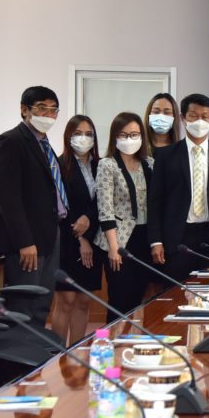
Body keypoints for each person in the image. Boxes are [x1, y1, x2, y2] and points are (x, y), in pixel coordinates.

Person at [0, 86, 67, 326]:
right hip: (26, 241)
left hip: (49, 234)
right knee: (24, 305)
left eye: (53, 110)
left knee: (42, 302)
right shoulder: (10, 141)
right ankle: (19, 349)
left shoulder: (44, 144)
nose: (48, 115)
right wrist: (25, 242)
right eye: (42, 108)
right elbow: (8, 198)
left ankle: (35, 348)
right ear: (25, 110)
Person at [148, 94, 209, 284]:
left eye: (205, 117)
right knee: (175, 292)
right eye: (193, 116)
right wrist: (156, 240)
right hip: (177, 238)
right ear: (182, 118)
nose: (199, 121)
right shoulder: (165, 155)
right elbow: (155, 201)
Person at [94, 112, 155, 320]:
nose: (129, 139)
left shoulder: (149, 163)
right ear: (115, 137)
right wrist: (113, 247)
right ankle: (109, 339)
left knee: (138, 298)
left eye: (134, 134)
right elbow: (105, 208)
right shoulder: (107, 164)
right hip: (118, 240)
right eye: (124, 135)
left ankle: (129, 339)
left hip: (144, 238)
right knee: (119, 299)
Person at [51, 114, 105, 345]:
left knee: (84, 301)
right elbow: (59, 206)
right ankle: (56, 356)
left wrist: (89, 222)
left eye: (88, 134)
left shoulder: (101, 165)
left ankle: (76, 353)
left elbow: (102, 202)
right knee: (66, 300)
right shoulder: (59, 165)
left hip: (94, 238)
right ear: (68, 136)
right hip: (67, 240)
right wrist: (80, 238)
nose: (84, 138)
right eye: (78, 133)